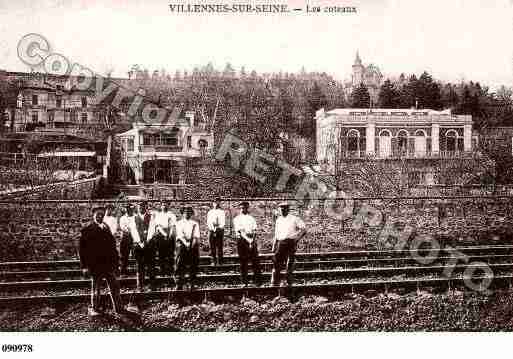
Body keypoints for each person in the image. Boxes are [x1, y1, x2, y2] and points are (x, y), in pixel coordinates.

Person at [79, 206, 125, 317]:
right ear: (93, 215)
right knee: (96, 288)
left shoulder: (106, 228)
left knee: (114, 286)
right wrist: (84, 267)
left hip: (108, 264)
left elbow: (113, 247)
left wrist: (116, 263)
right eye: (97, 214)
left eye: (102, 214)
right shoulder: (87, 230)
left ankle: (118, 308)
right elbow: (82, 250)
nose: (100, 216)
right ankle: (95, 308)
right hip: (95, 265)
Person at [271, 202, 306, 287]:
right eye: (281, 209)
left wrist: (296, 240)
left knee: (289, 263)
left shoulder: (294, 218)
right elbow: (276, 234)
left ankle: (289, 283)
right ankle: (274, 283)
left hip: (290, 242)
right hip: (280, 243)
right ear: (279, 210)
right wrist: (274, 245)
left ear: (288, 209)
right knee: (277, 263)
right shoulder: (278, 220)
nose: (283, 210)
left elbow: (304, 229)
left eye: (285, 208)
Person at [233, 201, 262, 287]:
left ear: (247, 208)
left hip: (251, 239)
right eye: (242, 208)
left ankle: (257, 281)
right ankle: (244, 282)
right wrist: (249, 241)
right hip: (242, 240)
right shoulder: (237, 219)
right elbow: (241, 231)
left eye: (245, 208)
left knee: (255, 261)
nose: (243, 209)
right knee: (243, 262)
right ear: (240, 209)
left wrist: (252, 240)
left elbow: (254, 230)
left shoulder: (251, 218)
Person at [174, 206, 200, 290]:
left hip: (192, 243)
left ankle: (192, 283)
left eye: (189, 212)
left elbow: (196, 236)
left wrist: (192, 244)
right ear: (182, 213)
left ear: (191, 214)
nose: (187, 214)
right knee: (179, 263)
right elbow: (180, 235)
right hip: (182, 243)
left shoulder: (195, 223)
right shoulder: (179, 223)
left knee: (193, 264)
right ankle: (179, 283)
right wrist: (186, 243)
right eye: (185, 212)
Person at [148, 201, 177, 277]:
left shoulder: (171, 214)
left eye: (165, 205)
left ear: (168, 205)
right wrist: (164, 234)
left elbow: (173, 225)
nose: (164, 206)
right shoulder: (158, 215)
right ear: (160, 206)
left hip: (169, 234)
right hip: (161, 235)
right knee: (161, 254)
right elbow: (158, 226)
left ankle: (170, 270)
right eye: (162, 205)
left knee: (170, 254)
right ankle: (162, 269)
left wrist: (170, 235)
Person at [206, 197, 226, 266]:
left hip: (219, 230)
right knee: (212, 246)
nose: (216, 204)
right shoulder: (210, 212)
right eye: (215, 202)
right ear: (213, 203)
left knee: (219, 246)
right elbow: (208, 222)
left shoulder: (222, 212)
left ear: (219, 203)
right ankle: (213, 261)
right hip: (211, 230)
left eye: (218, 202)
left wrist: (218, 228)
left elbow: (223, 222)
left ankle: (220, 261)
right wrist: (212, 228)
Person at [118, 204, 136, 276]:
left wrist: (132, 230)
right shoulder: (122, 218)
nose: (129, 210)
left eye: (130, 209)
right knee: (124, 256)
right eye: (127, 209)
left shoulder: (135, 217)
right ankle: (123, 272)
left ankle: (137, 272)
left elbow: (136, 226)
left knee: (137, 255)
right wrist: (130, 229)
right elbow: (123, 227)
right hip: (126, 238)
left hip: (135, 237)